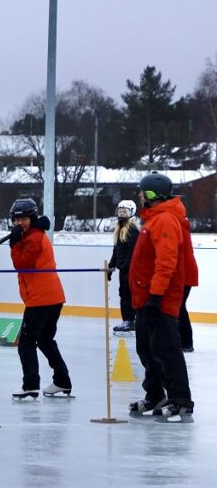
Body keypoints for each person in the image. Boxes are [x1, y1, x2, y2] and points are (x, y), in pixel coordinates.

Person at [128, 172, 194, 421]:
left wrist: (156, 296)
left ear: (152, 194)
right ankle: (155, 394)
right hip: (145, 298)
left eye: (142, 192)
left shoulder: (165, 220)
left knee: (166, 350)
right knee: (146, 349)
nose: (140, 196)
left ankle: (180, 400)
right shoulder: (154, 219)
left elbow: (166, 263)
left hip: (159, 299)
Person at [7, 198, 72, 400]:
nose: (20, 223)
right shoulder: (33, 235)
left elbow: (23, 264)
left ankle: (30, 385)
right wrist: (18, 239)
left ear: (32, 218)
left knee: (26, 342)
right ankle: (62, 381)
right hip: (52, 297)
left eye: (24, 219)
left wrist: (14, 243)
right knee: (45, 340)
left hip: (41, 299)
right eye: (16, 220)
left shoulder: (33, 238)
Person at [109, 200, 140, 333]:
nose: (121, 214)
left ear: (131, 213)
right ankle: (127, 320)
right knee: (124, 294)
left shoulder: (132, 229)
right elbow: (116, 250)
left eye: (124, 211)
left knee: (127, 295)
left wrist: (126, 267)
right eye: (120, 211)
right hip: (124, 269)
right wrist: (111, 266)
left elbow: (132, 252)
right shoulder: (119, 228)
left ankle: (130, 321)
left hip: (130, 270)